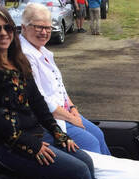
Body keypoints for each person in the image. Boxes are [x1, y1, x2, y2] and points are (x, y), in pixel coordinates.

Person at [0, 4, 96, 179]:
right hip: (7, 145)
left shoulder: (18, 60)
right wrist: (30, 145)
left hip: (36, 133)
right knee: (79, 171)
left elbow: (38, 103)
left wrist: (57, 133)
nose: (3, 33)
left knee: (86, 161)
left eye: (8, 27)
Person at [20, 3, 110, 155]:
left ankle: (112, 174)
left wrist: (73, 108)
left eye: (48, 27)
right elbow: (40, 100)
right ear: (23, 27)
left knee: (99, 135)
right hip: (47, 119)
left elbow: (59, 86)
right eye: (38, 27)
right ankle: (97, 178)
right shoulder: (25, 56)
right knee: (91, 143)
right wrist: (71, 118)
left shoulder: (41, 50)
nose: (44, 32)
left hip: (63, 111)